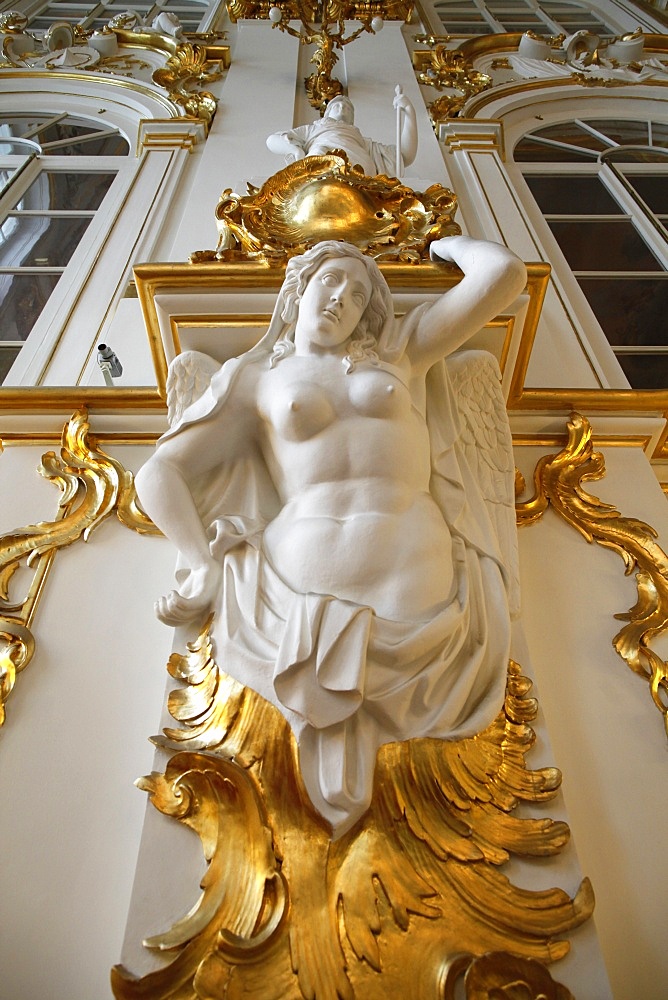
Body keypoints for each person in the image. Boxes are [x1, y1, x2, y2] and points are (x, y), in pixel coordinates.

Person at [135, 236, 527, 837]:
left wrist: (440, 243)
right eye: (331, 281)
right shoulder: (255, 380)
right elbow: (160, 473)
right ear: (296, 290)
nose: (342, 299)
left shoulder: (400, 357)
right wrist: (199, 563)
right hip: (294, 595)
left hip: (419, 588)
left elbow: (502, 274)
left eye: (359, 293)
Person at [266, 92, 417, 176]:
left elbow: (404, 156)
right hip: (319, 170)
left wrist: (410, 113)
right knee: (319, 154)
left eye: (347, 108)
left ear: (352, 119)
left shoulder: (364, 143)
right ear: (327, 114)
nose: (343, 107)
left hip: (359, 174)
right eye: (337, 105)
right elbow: (272, 140)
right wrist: (296, 150)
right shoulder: (314, 129)